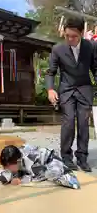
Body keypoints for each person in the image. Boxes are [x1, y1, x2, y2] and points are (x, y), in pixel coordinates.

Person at [46, 17, 97, 172]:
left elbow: (95, 68)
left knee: (83, 123)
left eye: (74, 36)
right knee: (68, 122)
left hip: (84, 89)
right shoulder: (58, 49)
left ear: (81, 33)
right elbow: (50, 72)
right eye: (67, 35)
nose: (70, 39)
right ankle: (66, 157)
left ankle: (82, 158)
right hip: (67, 90)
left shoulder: (91, 46)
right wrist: (50, 89)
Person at [0, 145, 80, 189]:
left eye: (8, 166)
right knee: (9, 175)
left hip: (51, 160)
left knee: (51, 175)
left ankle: (67, 176)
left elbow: (36, 177)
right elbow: (13, 169)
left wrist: (20, 180)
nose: (7, 168)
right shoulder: (16, 157)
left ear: (17, 161)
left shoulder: (31, 162)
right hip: (25, 164)